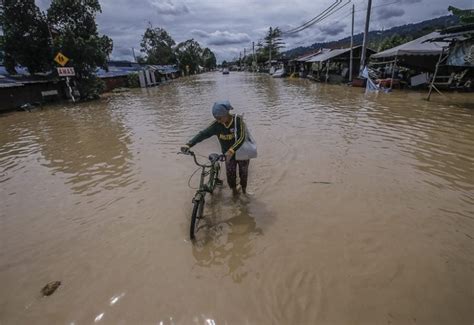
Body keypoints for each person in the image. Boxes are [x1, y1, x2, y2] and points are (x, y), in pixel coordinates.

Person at [181, 100, 250, 195]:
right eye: (216, 118)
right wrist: (189, 144)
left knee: (243, 173)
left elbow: (242, 137)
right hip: (228, 155)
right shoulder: (216, 125)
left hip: (242, 152)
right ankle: (234, 192)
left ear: (226, 114)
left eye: (219, 118)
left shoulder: (238, 120)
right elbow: (203, 134)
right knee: (230, 174)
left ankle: (244, 191)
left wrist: (231, 150)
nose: (218, 120)